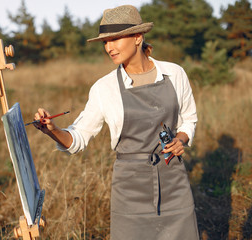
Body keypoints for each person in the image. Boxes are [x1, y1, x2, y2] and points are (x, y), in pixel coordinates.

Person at [33, 5, 199, 240]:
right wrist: (53, 130)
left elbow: (189, 118)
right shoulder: (104, 88)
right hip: (129, 189)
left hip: (174, 181)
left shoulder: (175, 74)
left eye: (115, 39)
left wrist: (181, 139)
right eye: (105, 42)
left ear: (138, 37)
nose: (109, 48)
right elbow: (78, 138)